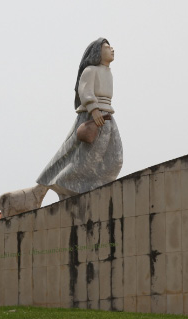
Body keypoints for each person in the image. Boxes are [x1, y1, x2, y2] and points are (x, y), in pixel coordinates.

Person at [36, 38, 123, 199]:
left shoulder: (108, 72)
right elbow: (85, 91)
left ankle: (96, 185)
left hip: (107, 117)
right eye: (107, 47)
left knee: (115, 158)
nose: (112, 49)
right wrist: (94, 109)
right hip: (93, 117)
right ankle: (64, 182)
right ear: (97, 52)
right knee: (85, 158)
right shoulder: (90, 70)